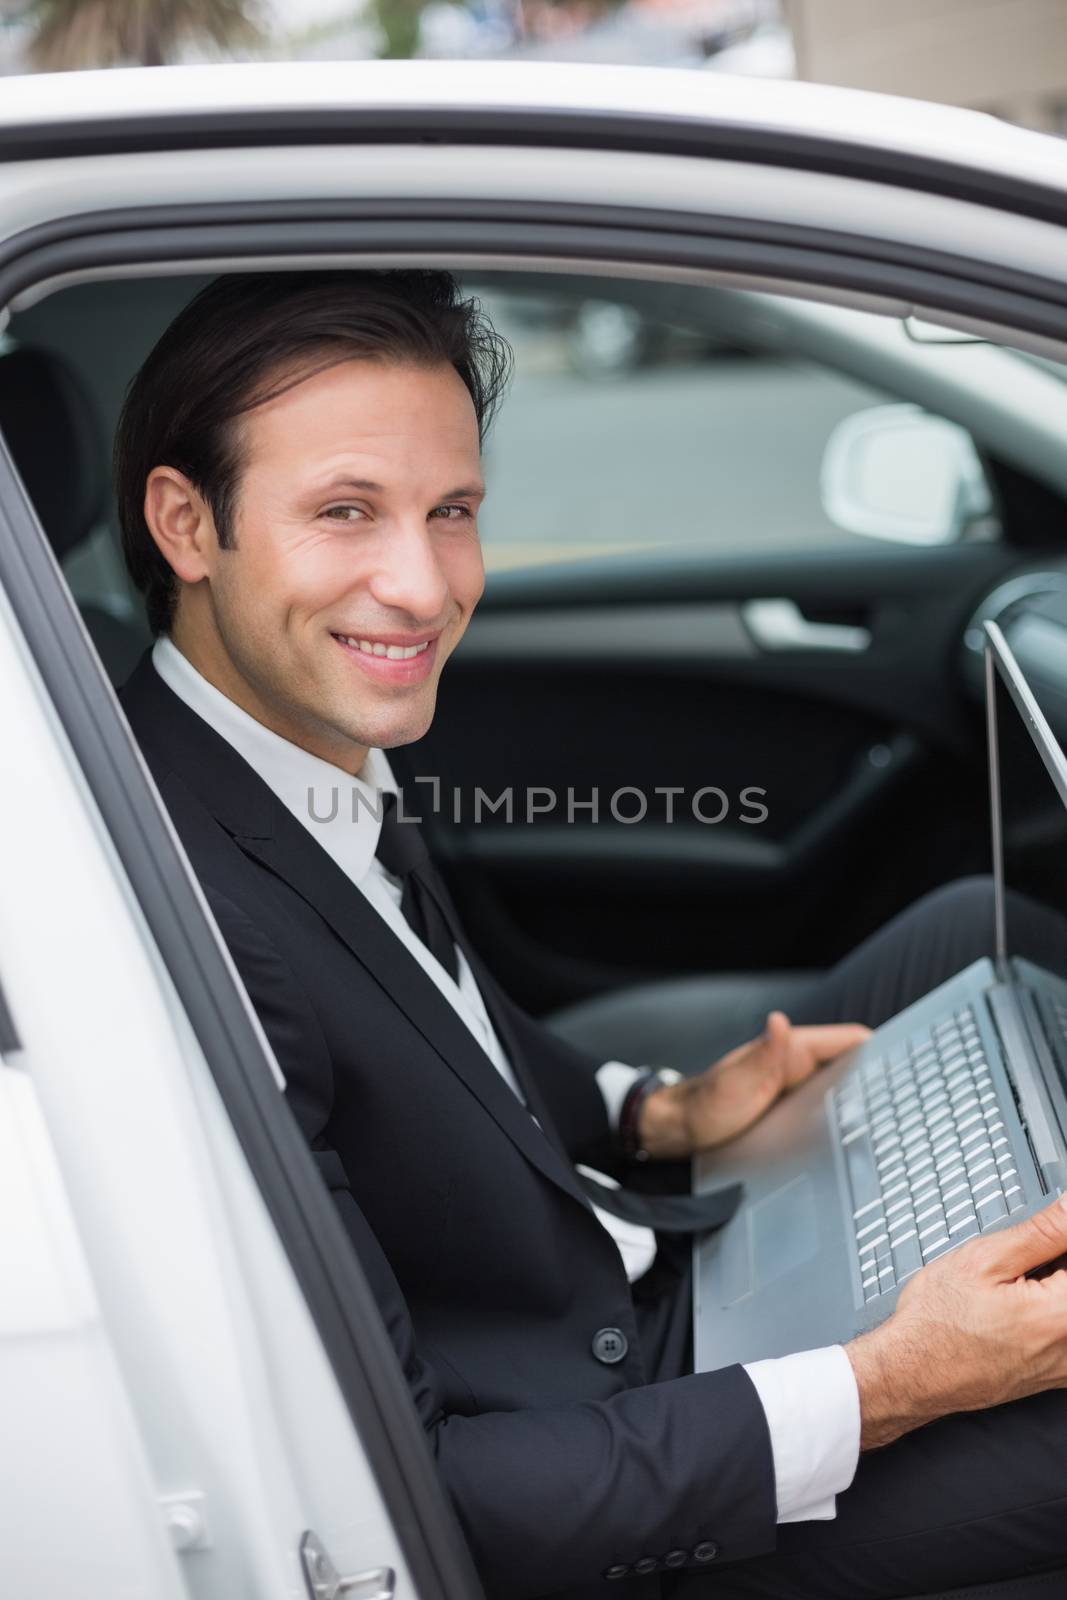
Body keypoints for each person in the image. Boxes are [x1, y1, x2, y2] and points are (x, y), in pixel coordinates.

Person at [114, 269, 1067, 1600]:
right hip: (603, 1478)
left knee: (969, 936)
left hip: (611, 1272)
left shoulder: (266, 744)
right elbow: (428, 1495)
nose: (424, 584)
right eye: (346, 513)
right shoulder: (184, 914)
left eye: (453, 513)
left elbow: (441, 1032)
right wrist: (892, 1380)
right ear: (186, 524)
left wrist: (653, 1115)